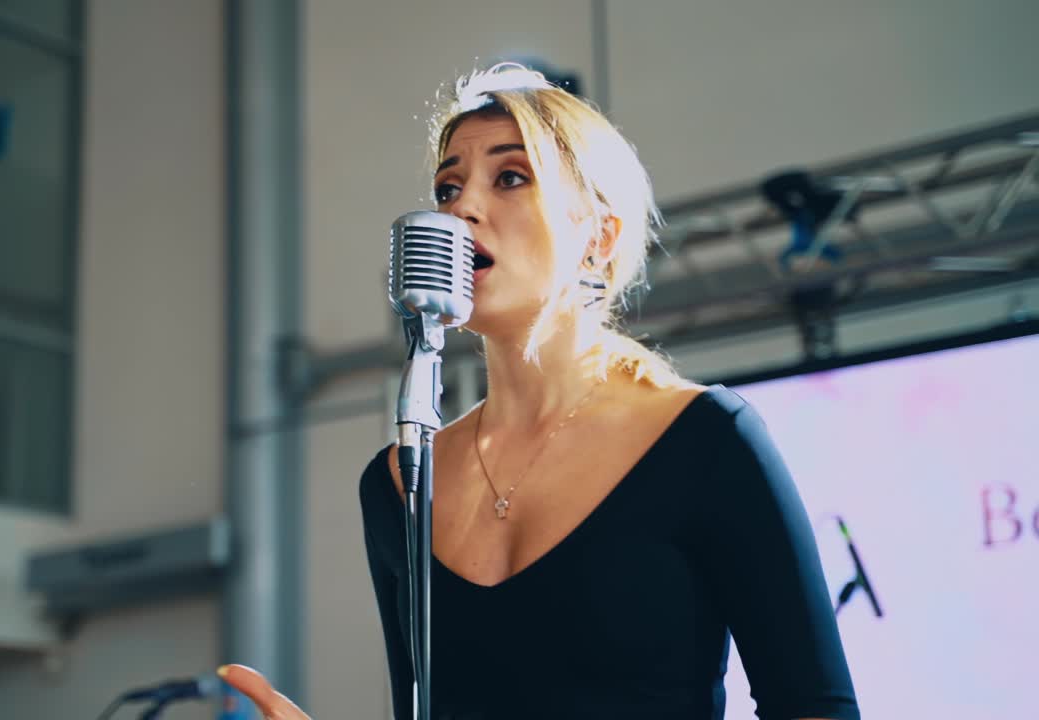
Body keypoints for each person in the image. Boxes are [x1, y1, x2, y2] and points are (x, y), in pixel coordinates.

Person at [220, 64, 859, 720]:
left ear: (599, 239)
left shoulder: (706, 440)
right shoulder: (397, 484)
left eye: (511, 177)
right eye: (448, 186)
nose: (462, 207)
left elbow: (816, 708)